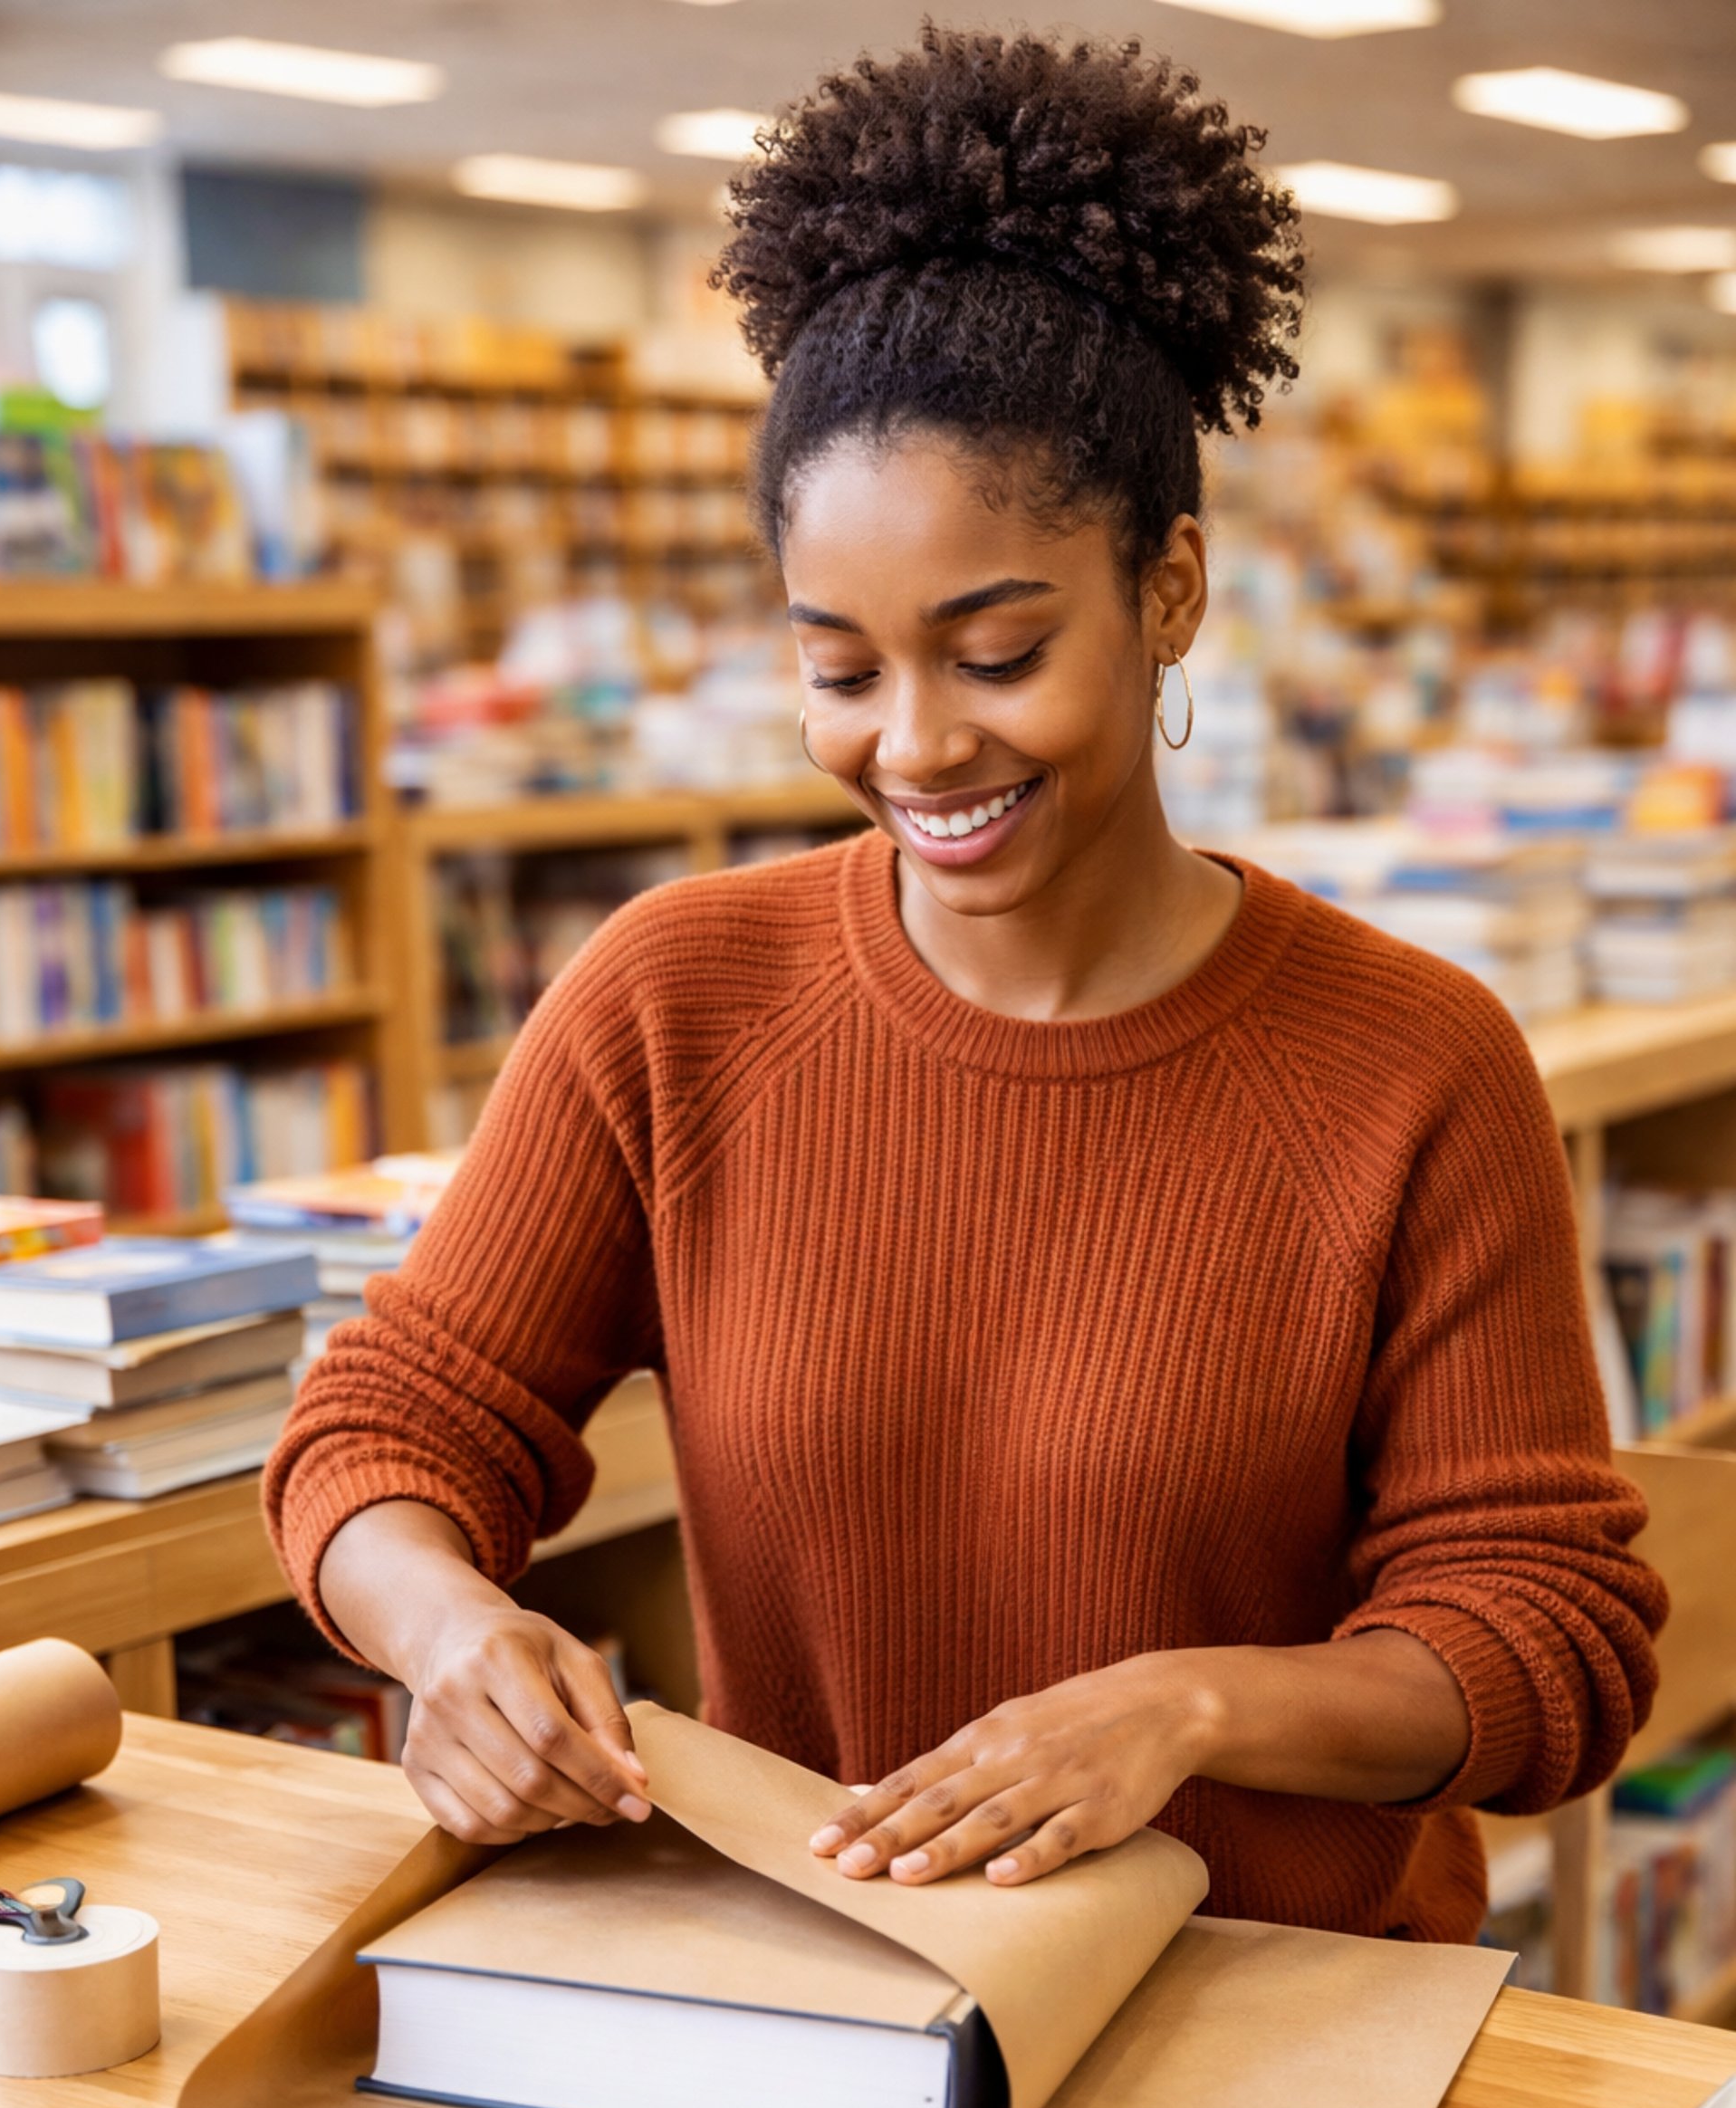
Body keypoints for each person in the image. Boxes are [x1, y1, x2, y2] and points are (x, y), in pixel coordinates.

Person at [266, 26, 1664, 1940]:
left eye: (995, 653)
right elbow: (387, 1429)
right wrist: (451, 1636)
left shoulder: (1416, 1063)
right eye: (839, 668)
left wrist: (1183, 1709)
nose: (914, 744)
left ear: (1168, 591)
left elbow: (1547, 1636)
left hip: (1278, 2022)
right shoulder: (676, 1001)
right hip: (835, 2007)